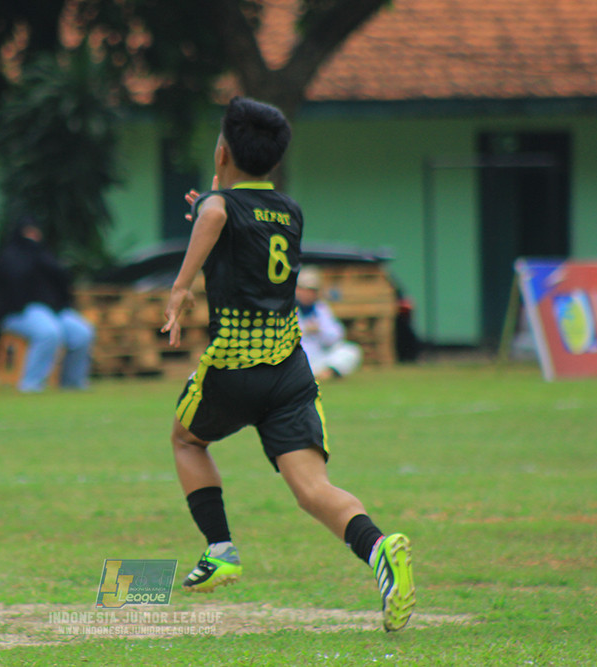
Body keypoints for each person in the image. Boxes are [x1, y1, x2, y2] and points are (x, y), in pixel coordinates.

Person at [161, 96, 415, 632]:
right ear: (273, 161)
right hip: (289, 371)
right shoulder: (290, 211)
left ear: (222, 150)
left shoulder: (218, 205)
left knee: (186, 439)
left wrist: (182, 288)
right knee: (313, 490)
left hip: (234, 367)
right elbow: (233, 222)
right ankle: (380, 551)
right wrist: (212, 198)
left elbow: (217, 213)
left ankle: (221, 549)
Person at [0, 216, 94, 392]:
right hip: (20, 312)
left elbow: (62, 281)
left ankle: (72, 383)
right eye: (28, 232)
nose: (32, 237)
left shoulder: (45, 254)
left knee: (83, 332)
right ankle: (31, 384)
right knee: (49, 332)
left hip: (54, 310)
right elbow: (12, 285)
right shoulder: (10, 256)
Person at [295, 266, 363, 381]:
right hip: (298, 360)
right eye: (305, 289)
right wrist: (305, 329)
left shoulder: (321, 308)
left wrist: (319, 330)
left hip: (320, 357)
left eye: (312, 290)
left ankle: (326, 373)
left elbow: (337, 335)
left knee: (351, 350)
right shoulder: (288, 309)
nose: (308, 294)